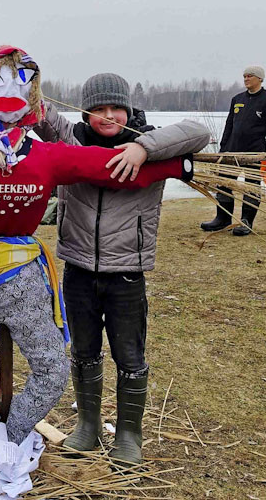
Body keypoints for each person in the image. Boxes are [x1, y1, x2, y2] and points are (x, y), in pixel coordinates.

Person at [0, 48, 197, 445]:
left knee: (56, 368)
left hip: (39, 279)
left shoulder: (48, 155)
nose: (108, 116)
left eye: (21, 81)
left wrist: (171, 163)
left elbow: (112, 171)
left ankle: (11, 440)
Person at [35, 73, 209, 464]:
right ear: (86, 111)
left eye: (116, 108)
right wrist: (16, 81)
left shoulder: (155, 144)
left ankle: (129, 433)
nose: (108, 116)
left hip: (128, 272)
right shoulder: (72, 141)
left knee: (129, 355)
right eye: (98, 109)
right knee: (83, 350)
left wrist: (142, 149)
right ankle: (88, 426)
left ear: (128, 110)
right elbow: (39, 114)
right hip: (78, 269)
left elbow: (198, 132)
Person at [200, 65, 266, 235]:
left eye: (249, 76)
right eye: (244, 76)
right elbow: (229, 125)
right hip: (232, 149)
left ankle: (246, 221)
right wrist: (222, 149)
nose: (246, 79)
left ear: (260, 78)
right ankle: (223, 218)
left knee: (251, 186)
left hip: (255, 152)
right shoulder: (237, 99)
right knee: (223, 183)